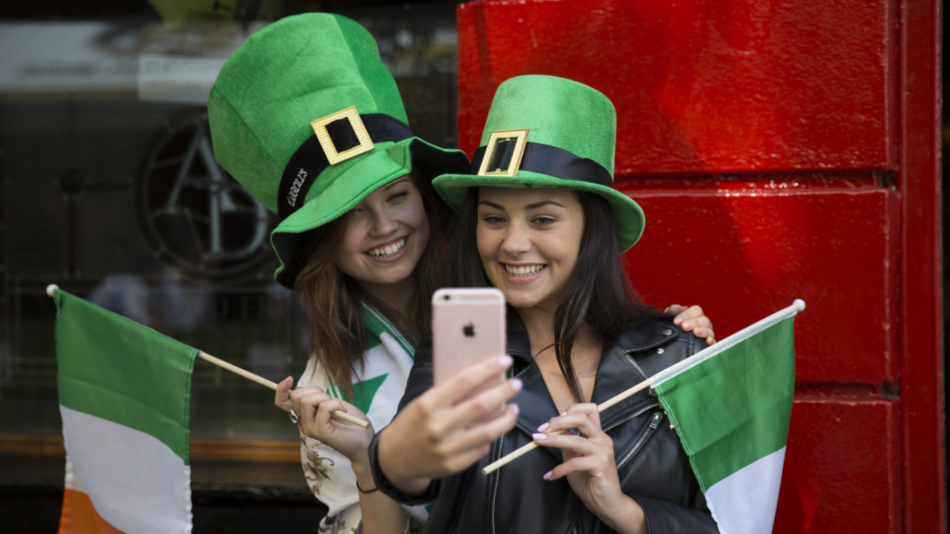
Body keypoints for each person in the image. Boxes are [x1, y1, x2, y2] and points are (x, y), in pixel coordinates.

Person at [210, 15, 716, 534]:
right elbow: (410, 485)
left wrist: (668, 342)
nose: (385, 227)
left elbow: (722, 510)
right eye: (348, 213)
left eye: (397, 194)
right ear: (319, 239)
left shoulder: (535, 296)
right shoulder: (336, 382)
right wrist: (373, 462)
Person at [369, 75, 720, 533]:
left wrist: (626, 512)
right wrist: (390, 455)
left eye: (543, 218)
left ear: (592, 227)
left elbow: (733, 520)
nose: (513, 243)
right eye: (493, 218)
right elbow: (413, 479)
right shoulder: (461, 352)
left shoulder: (677, 353)